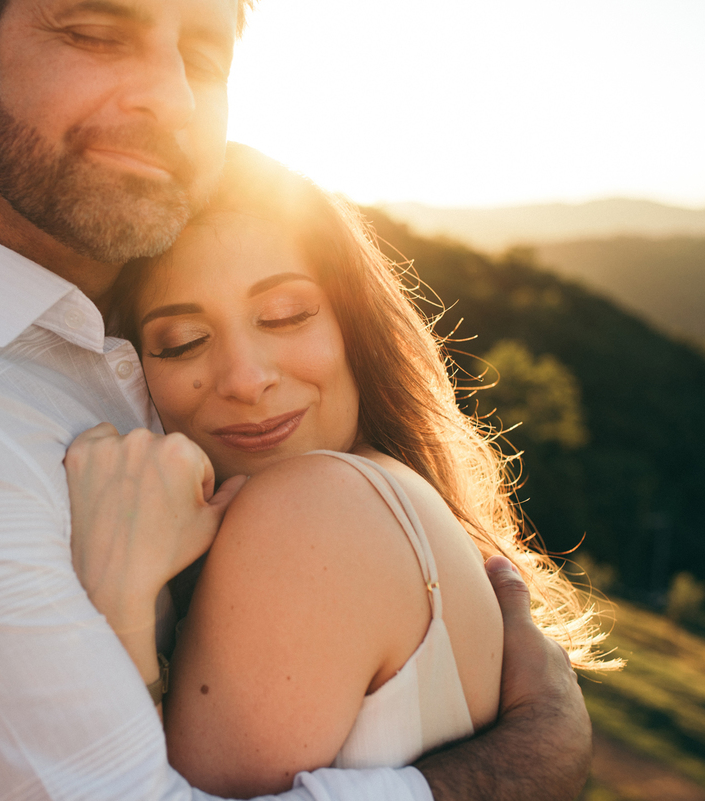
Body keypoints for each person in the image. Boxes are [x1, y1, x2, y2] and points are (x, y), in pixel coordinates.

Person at [0, 0, 592, 797]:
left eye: (204, 57)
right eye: (98, 33)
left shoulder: (104, 341)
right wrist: (530, 759)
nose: (171, 99)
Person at [67, 145, 618, 797]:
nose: (246, 377)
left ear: (352, 325)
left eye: (285, 315)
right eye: (183, 340)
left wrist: (122, 600)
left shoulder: (310, 508)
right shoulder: (387, 490)